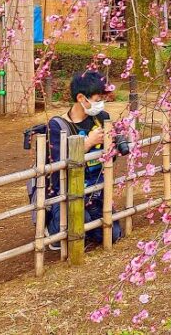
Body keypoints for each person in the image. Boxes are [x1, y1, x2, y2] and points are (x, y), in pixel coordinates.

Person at [44, 70, 123, 250]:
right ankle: (53, 227)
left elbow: (110, 158)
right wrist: (87, 143)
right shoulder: (58, 126)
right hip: (68, 192)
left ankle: (83, 228)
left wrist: (114, 146)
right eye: (97, 99)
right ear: (81, 98)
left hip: (95, 192)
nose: (101, 104)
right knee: (79, 220)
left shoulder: (101, 118)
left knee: (113, 235)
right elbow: (58, 164)